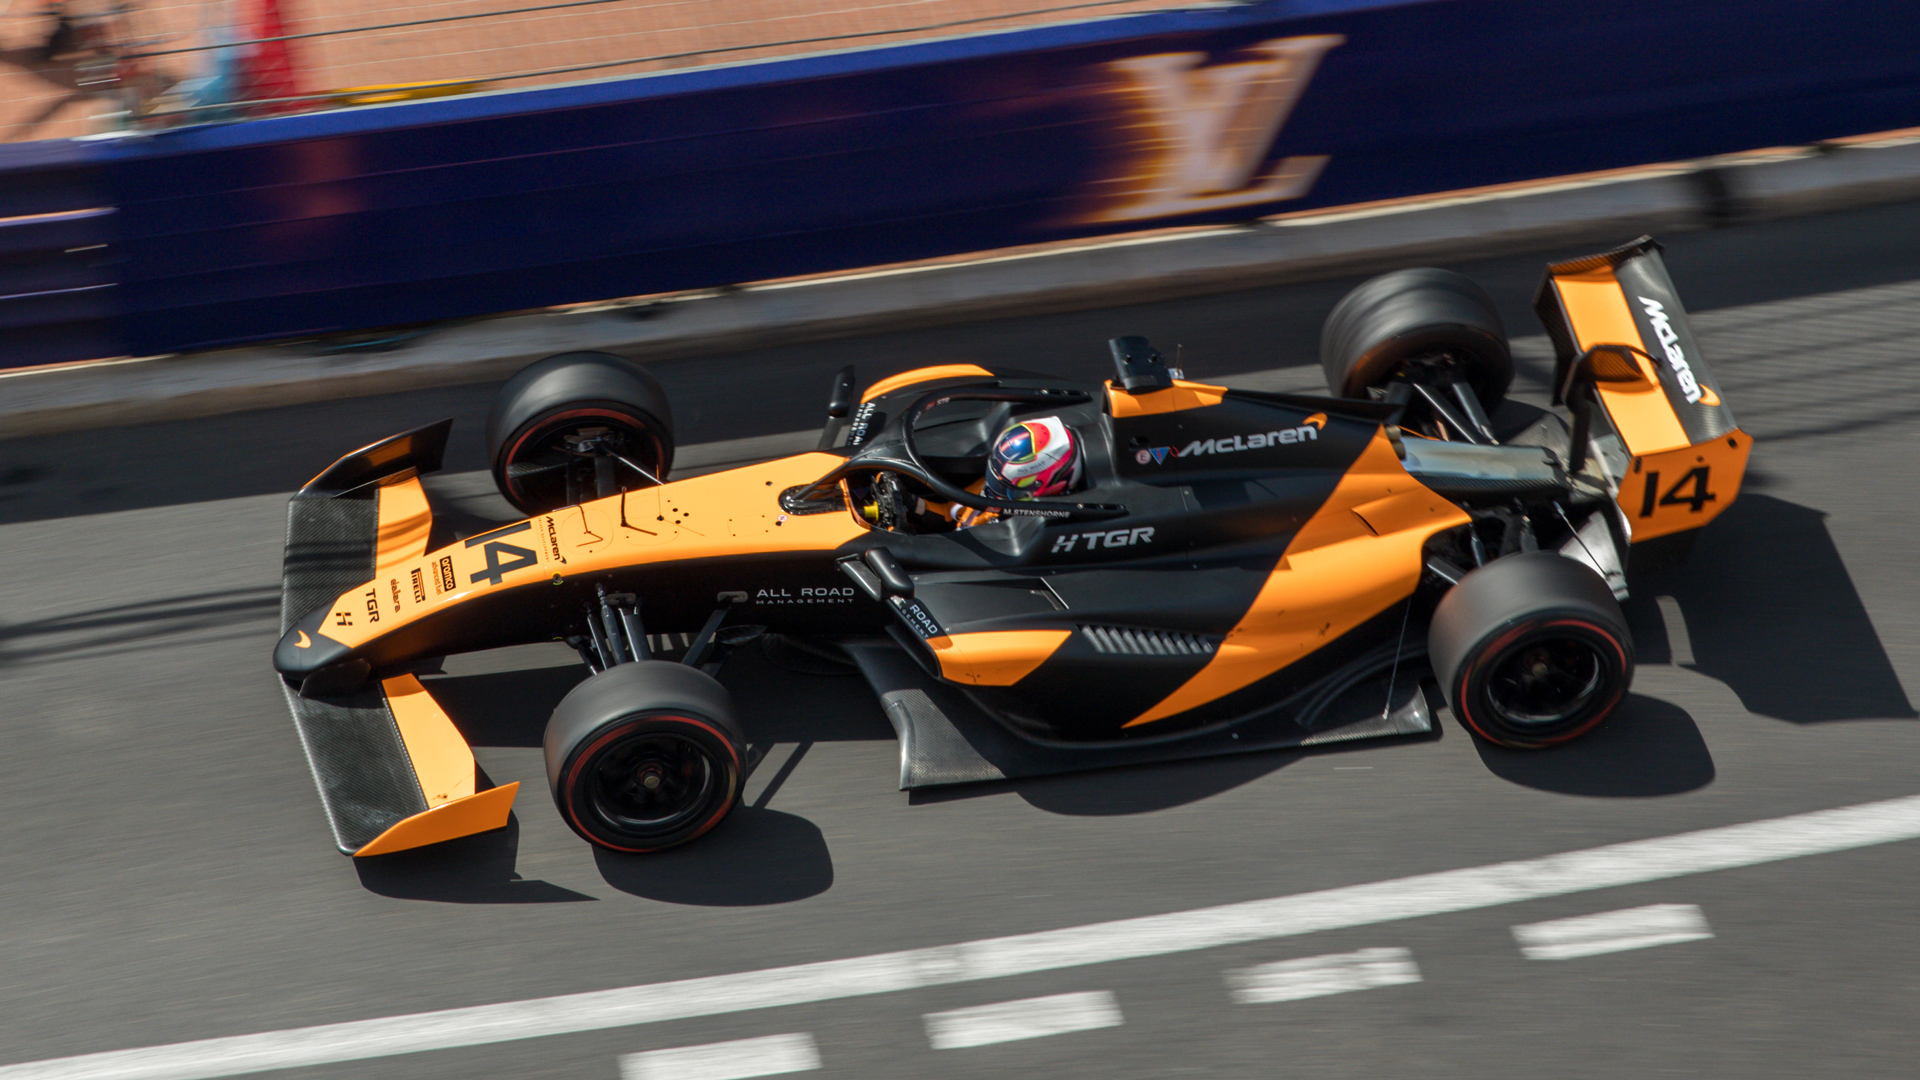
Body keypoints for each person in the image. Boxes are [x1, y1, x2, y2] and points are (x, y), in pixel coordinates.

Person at [947, 415, 1082, 527]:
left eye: (1004, 487)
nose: (994, 490)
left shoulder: (1047, 526)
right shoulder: (1001, 481)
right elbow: (948, 511)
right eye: (995, 475)